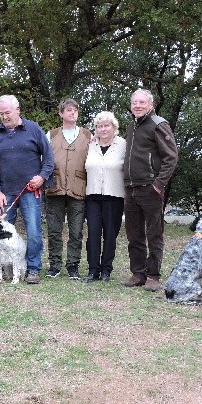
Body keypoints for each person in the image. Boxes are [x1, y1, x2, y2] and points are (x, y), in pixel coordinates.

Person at [0, 94, 54, 284]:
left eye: (8, 112)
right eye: (1, 113)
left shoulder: (34, 129)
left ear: (18, 110)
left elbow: (49, 158)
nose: (4, 116)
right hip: (5, 193)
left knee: (34, 231)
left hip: (30, 192)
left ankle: (33, 269)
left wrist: (42, 177)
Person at [122, 88, 178, 292]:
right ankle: (138, 273)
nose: (137, 105)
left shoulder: (158, 124)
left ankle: (153, 275)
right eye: (134, 102)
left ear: (151, 105)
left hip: (150, 188)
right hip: (130, 188)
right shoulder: (131, 126)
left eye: (142, 102)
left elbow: (171, 157)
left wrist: (158, 184)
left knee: (154, 233)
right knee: (133, 234)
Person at [44, 98, 91, 280]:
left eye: (75, 110)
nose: (73, 113)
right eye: (69, 110)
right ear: (61, 113)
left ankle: (73, 266)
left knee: (76, 230)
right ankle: (54, 265)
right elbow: (43, 158)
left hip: (78, 189)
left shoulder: (88, 135)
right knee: (54, 230)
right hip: (55, 188)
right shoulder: (51, 135)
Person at [83, 111, 126, 283]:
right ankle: (93, 270)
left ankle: (106, 270)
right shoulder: (90, 145)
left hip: (114, 196)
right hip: (92, 196)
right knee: (93, 234)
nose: (103, 129)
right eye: (99, 126)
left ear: (114, 127)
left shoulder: (123, 145)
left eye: (106, 125)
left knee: (110, 235)